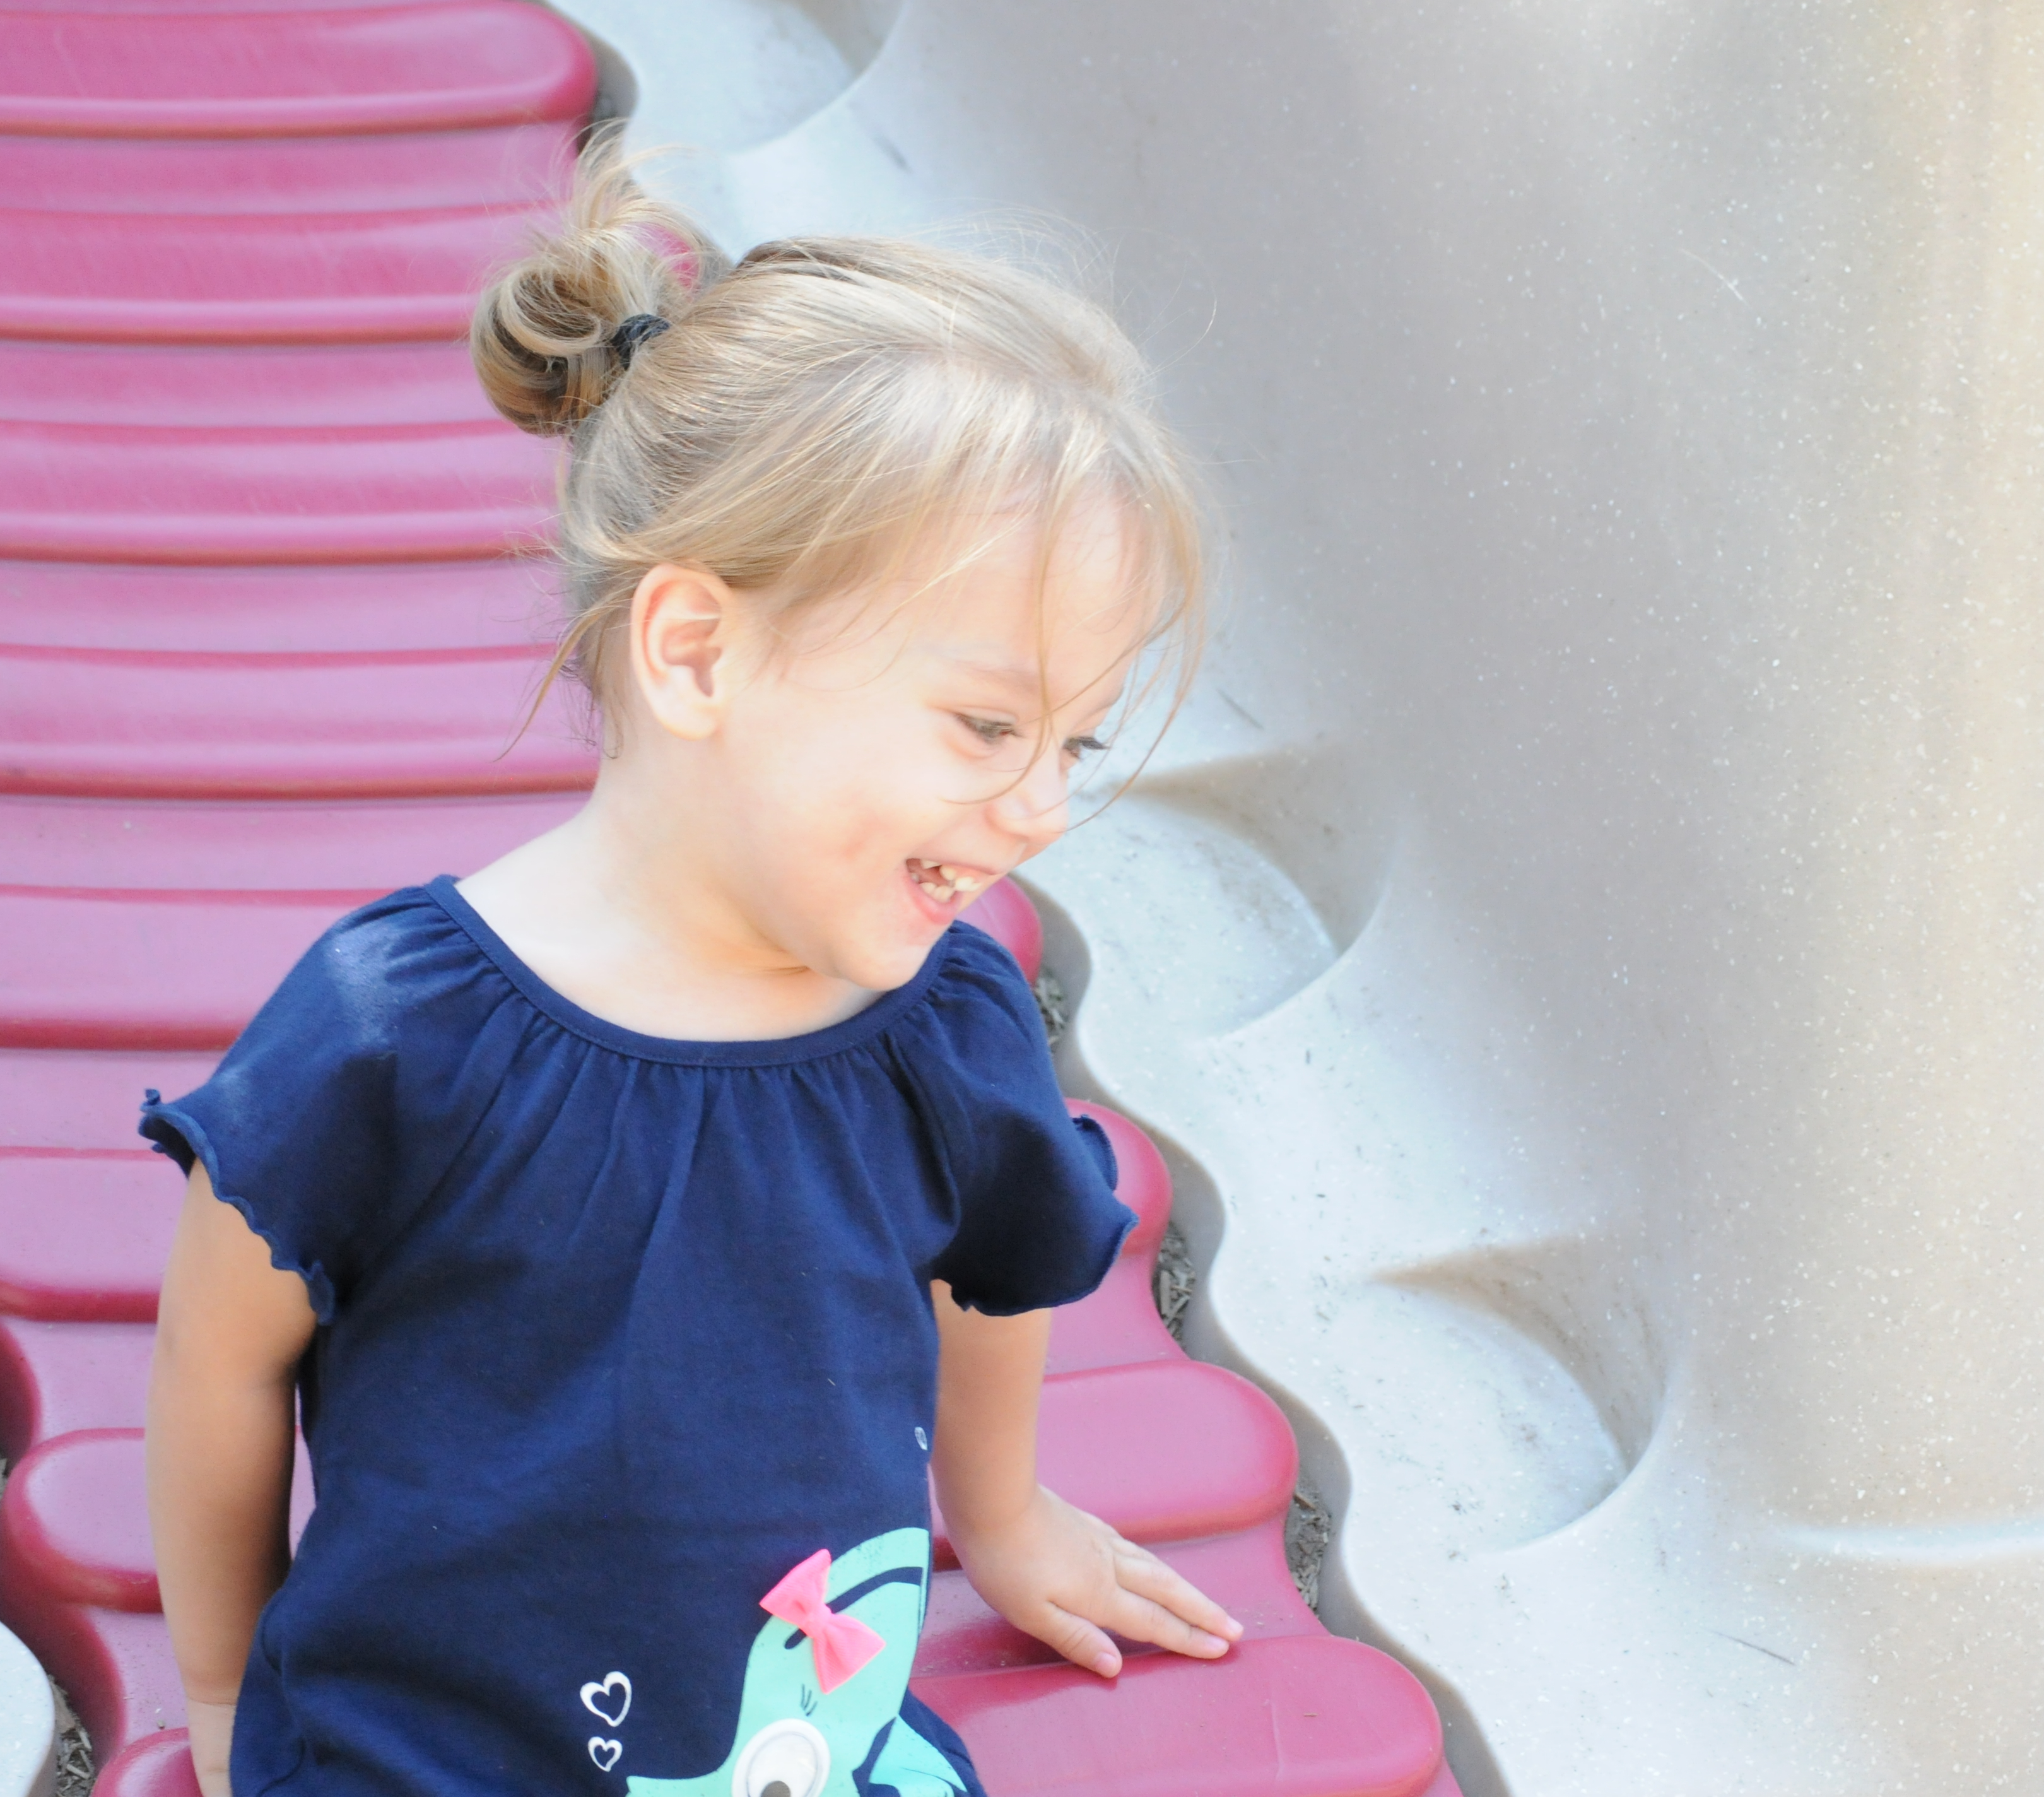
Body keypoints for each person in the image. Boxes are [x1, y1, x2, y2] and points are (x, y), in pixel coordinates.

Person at [141, 138, 1238, 1797]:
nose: (1040, 808)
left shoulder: (944, 1031)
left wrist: (1002, 1516)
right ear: (699, 650)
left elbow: (994, 1272)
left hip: (789, 1752)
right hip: (419, 1758)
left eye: (1071, 746)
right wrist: (228, 1697)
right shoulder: (397, 1036)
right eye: (986, 726)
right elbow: (221, 1362)